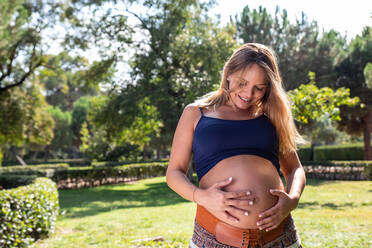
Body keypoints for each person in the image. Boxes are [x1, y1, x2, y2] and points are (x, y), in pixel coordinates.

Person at [166, 43, 306, 248]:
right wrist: (201, 196)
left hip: (280, 238)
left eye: (259, 88)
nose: (248, 94)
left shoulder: (272, 116)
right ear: (228, 73)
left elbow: (295, 168)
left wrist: (292, 198)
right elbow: (174, 173)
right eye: (242, 83)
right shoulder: (196, 113)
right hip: (214, 239)